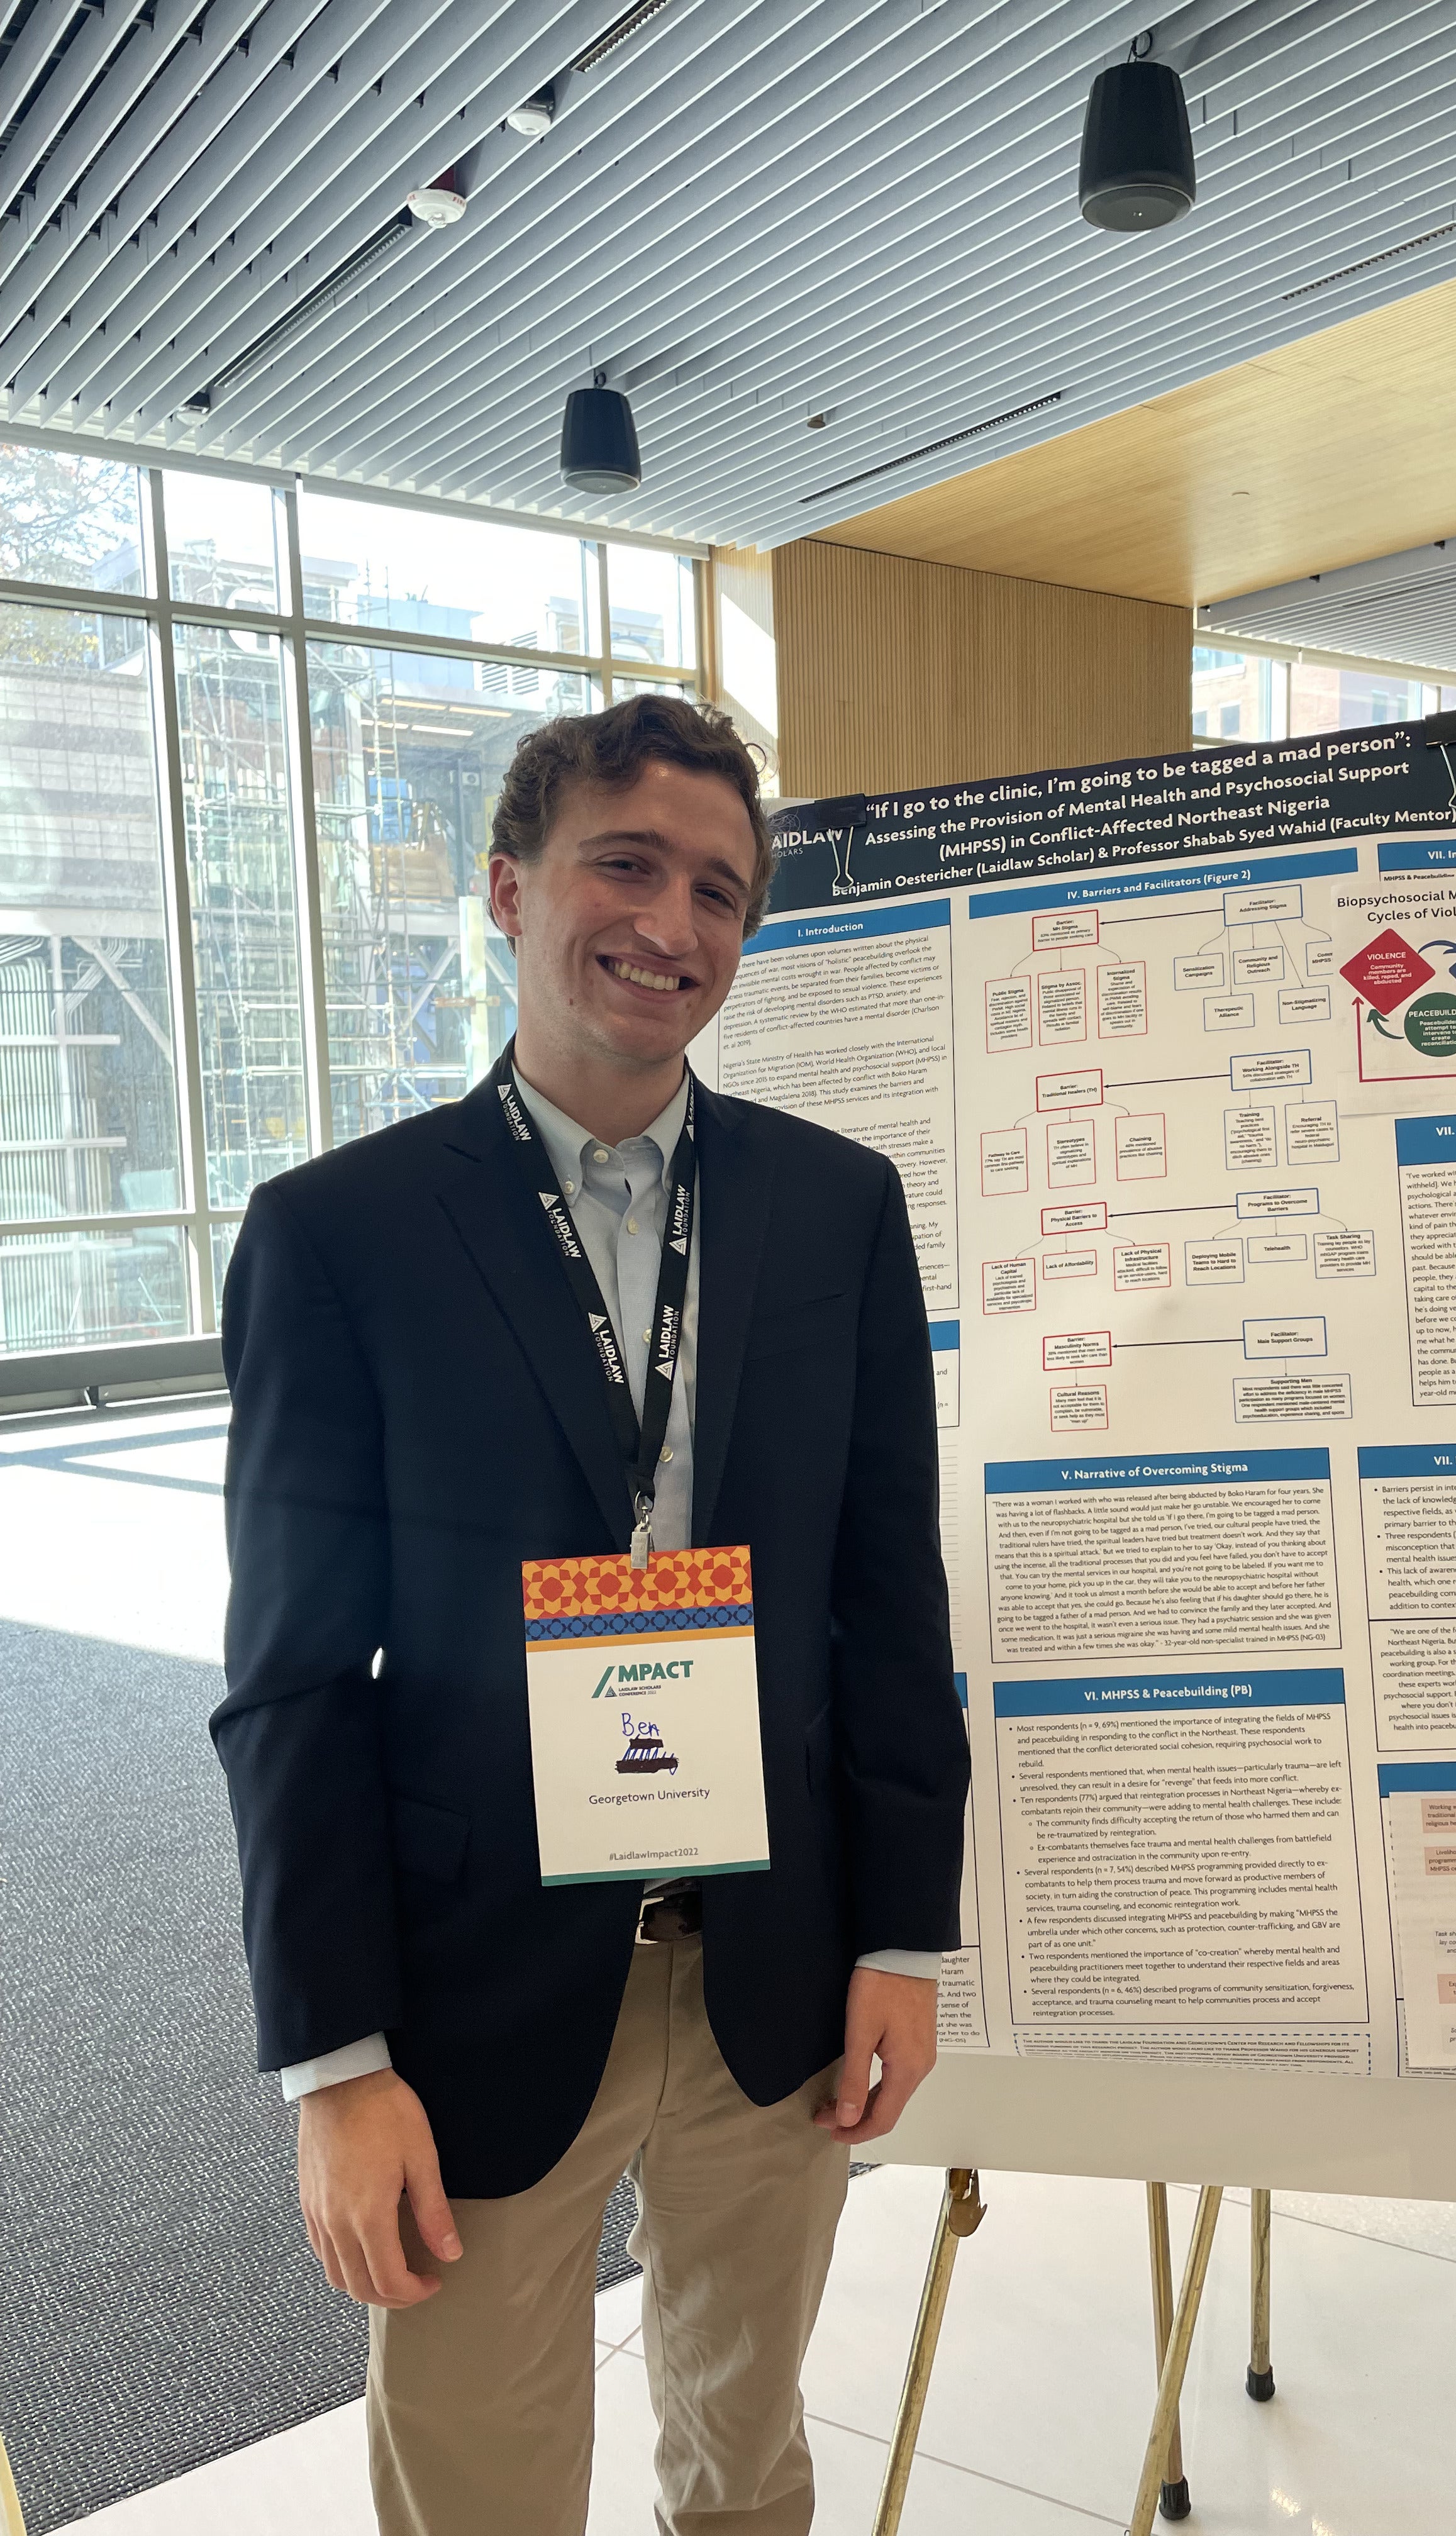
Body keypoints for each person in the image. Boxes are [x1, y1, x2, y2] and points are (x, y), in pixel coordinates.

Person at [213, 692, 969, 2536]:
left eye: (720, 889)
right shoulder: (341, 1235)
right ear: (508, 888)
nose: (674, 924)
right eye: (625, 864)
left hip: (775, 1962)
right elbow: (295, 1679)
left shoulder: (838, 1207)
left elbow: (889, 1590)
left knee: (746, 2442)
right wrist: (336, 2060)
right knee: (477, 2472)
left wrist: (905, 1936)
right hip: (478, 1968)